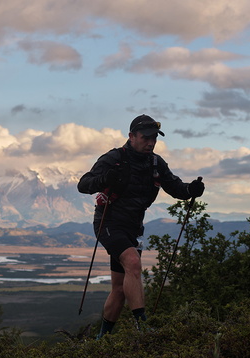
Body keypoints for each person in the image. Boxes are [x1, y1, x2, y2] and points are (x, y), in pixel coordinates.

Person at [77, 114, 205, 338]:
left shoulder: (156, 163)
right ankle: (143, 327)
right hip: (109, 223)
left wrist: (190, 191)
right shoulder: (113, 158)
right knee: (133, 263)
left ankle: (101, 339)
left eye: (154, 138)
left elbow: (175, 187)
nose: (151, 142)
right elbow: (83, 184)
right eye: (146, 137)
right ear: (131, 136)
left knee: (119, 289)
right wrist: (106, 179)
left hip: (133, 228)